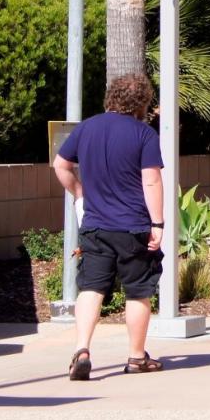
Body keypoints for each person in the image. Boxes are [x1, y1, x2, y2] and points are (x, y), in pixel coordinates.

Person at [53, 73, 168, 379]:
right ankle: (135, 358)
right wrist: (157, 222)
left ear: (111, 96)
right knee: (138, 292)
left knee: (91, 287)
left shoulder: (87, 128)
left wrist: (78, 190)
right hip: (133, 227)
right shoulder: (143, 134)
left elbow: (60, 165)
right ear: (142, 102)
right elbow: (152, 179)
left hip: (95, 226)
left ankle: (82, 349)